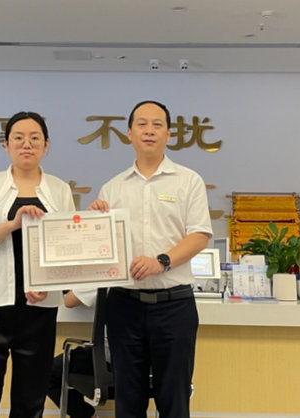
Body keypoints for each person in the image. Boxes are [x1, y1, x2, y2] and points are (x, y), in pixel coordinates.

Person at [88, 100, 212, 417]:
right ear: (129, 133)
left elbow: (199, 235)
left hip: (175, 306)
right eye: (141, 124)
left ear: (169, 134)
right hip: (124, 305)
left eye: (157, 124)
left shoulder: (188, 181)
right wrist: (95, 223)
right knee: (128, 402)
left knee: (174, 400)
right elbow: (103, 249)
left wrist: (162, 261)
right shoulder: (113, 188)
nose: (149, 130)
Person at [0, 111, 76, 418]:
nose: (27, 144)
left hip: (39, 307)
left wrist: (49, 285)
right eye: (19, 138)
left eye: (35, 138)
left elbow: (66, 248)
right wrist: (11, 225)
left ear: (46, 145)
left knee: (31, 397)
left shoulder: (60, 189)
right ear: (6, 145)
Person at [47, 290, 102, 418]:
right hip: (141, 369)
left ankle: (88, 415)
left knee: (49, 374)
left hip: (108, 361)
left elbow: (69, 301)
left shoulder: (102, 279)